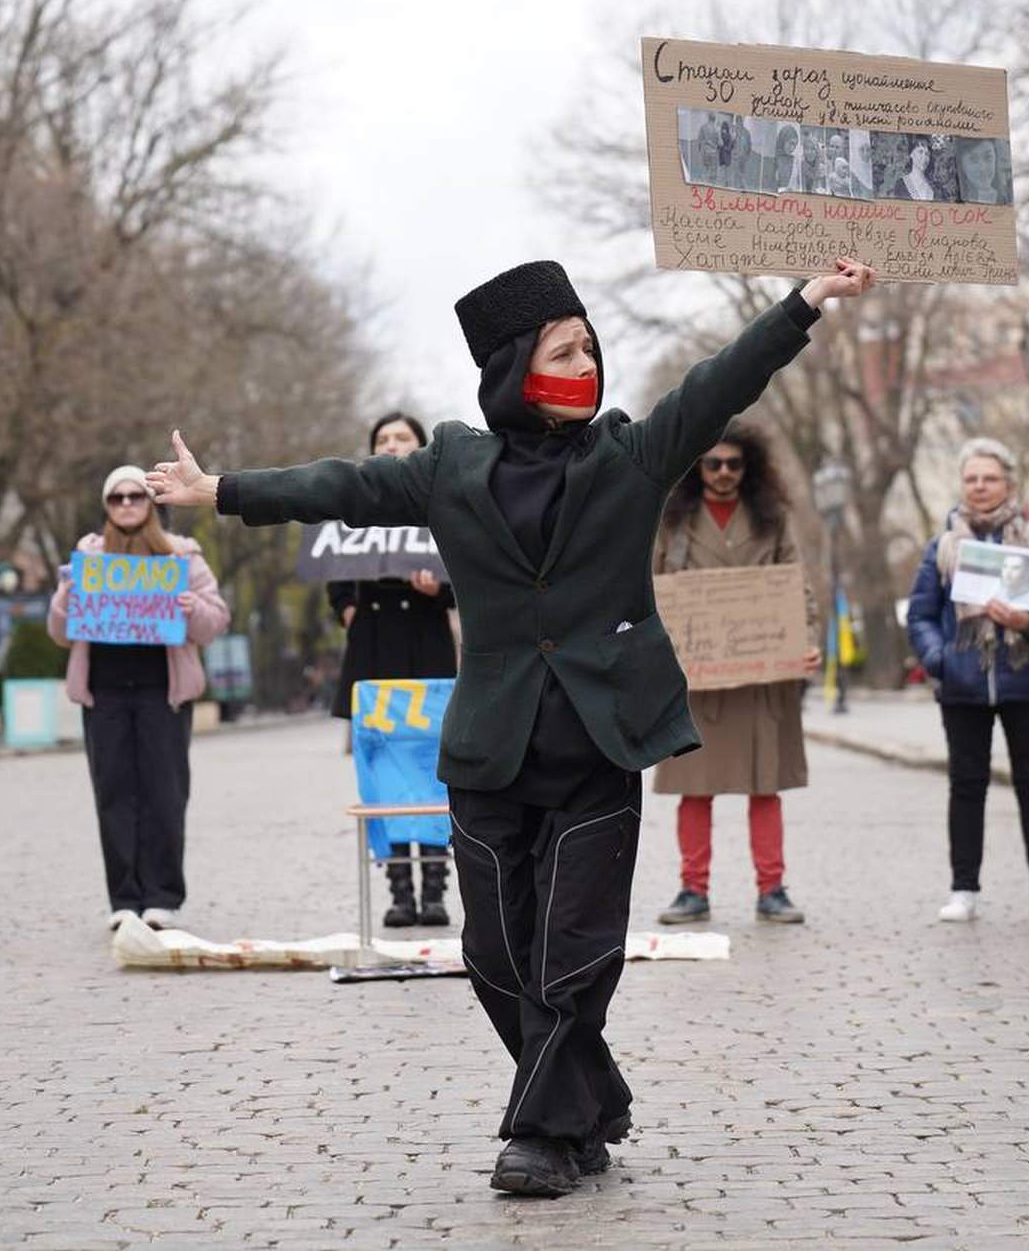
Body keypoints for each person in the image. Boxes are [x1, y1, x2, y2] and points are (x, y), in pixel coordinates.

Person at [150, 254, 877, 1197]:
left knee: (572, 953)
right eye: (564, 351)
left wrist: (805, 303)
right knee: (495, 956)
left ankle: (538, 1136)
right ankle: (591, 1105)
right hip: (491, 750)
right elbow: (346, 486)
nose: (586, 366)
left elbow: (719, 383)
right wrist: (223, 491)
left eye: (590, 349)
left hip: (598, 744)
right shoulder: (453, 463)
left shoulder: (631, 453)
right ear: (511, 369)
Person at [906, 439, 1029, 924]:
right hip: (963, 683)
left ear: (1009, 483)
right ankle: (964, 888)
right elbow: (920, 614)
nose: (980, 487)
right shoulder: (942, 546)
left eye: (990, 478)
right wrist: (939, 657)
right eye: (971, 479)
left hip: (1025, 678)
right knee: (966, 785)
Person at [652, 421, 820, 927]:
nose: (723, 473)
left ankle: (772, 888)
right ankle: (691, 890)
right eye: (712, 463)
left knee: (763, 784)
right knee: (693, 786)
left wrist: (807, 641)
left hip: (761, 677)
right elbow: (650, 591)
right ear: (696, 467)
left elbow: (798, 588)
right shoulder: (672, 522)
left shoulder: (773, 520)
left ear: (749, 469)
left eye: (733, 464)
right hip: (695, 679)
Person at [50, 466, 229, 932]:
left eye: (136, 496)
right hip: (104, 694)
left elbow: (216, 619)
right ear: (107, 506)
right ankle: (123, 898)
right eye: (117, 498)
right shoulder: (87, 557)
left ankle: (162, 895)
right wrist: (67, 597)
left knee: (165, 794)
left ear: (151, 504)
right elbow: (59, 632)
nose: (127, 504)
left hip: (163, 694)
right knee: (113, 793)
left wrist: (194, 609)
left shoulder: (182, 556)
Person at [330, 412, 458, 928]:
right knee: (382, 771)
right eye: (382, 439)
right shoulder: (354, 509)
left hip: (425, 649)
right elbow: (330, 569)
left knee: (433, 772)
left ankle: (435, 889)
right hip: (374, 652)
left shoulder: (444, 507)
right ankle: (399, 890)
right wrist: (346, 609)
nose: (391, 445)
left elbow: (470, 572)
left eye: (401, 438)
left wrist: (438, 590)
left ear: (421, 447)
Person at [887, 135, 939, 201]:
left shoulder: (935, 188)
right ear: (911, 154)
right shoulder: (901, 185)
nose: (924, 158)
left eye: (927, 154)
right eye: (920, 152)